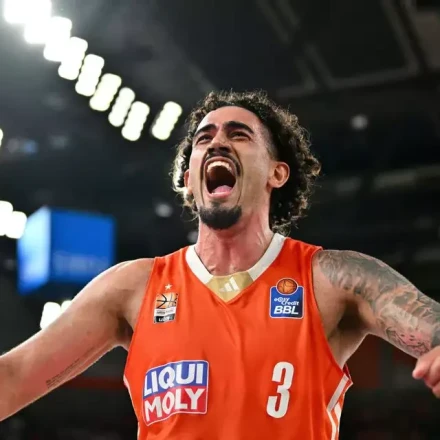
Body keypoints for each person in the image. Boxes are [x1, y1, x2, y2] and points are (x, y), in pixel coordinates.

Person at [0, 90, 439, 439]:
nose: (217, 142)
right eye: (203, 138)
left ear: (277, 173)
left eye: (239, 134)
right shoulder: (132, 288)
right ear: (189, 180)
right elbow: (14, 376)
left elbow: (432, 328)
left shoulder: (333, 278)